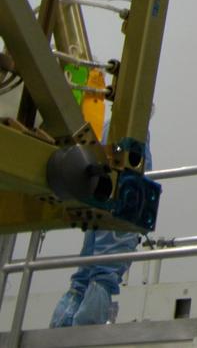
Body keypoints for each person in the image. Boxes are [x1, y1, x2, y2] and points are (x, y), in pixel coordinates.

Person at [50, 120, 152, 327]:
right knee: (105, 272)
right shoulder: (133, 128)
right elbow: (137, 174)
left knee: (85, 273)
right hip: (118, 206)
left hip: (98, 203)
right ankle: (86, 325)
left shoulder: (108, 127)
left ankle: (63, 321)